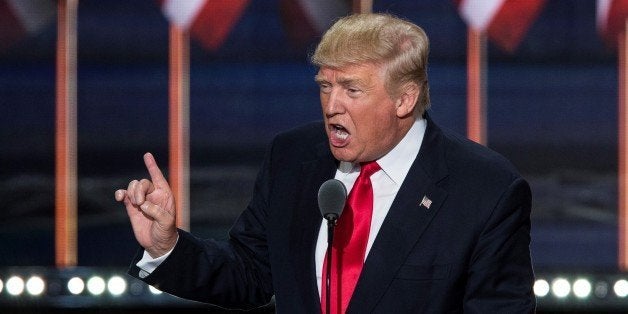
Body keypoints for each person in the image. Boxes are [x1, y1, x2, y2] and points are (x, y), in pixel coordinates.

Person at [115, 13, 535, 313]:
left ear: (404, 98)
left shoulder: (483, 188)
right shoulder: (294, 157)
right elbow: (250, 274)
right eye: (324, 86)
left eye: (351, 89)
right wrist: (166, 246)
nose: (331, 106)